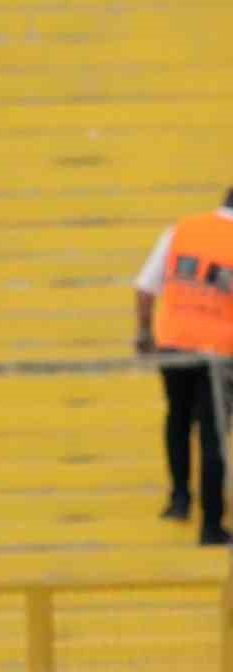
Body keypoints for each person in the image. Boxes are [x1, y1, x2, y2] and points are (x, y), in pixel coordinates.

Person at [135, 188, 233, 545]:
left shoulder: (182, 230)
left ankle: (179, 500)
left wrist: (144, 334)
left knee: (177, 417)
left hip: (174, 343)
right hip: (219, 353)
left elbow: (145, 287)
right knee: (213, 434)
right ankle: (211, 526)